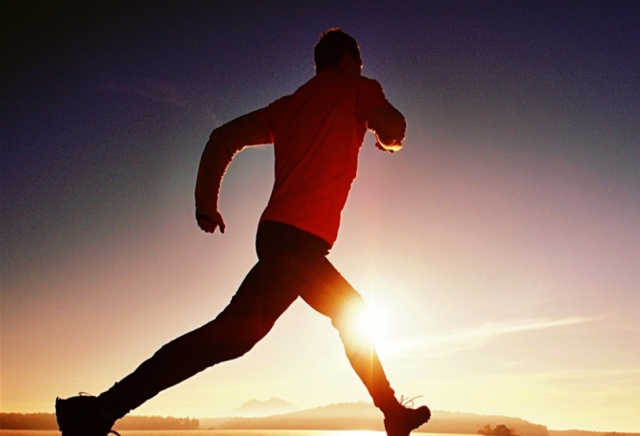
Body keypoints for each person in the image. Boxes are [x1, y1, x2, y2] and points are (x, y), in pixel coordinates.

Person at [55, 28, 430, 436]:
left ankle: (97, 411)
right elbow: (393, 125)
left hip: (279, 238)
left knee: (257, 331)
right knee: (309, 319)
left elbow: (223, 138)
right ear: (345, 60)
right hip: (297, 244)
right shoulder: (359, 88)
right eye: (358, 62)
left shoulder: (288, 106)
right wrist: (387, 138)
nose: (360, 68)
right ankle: (97, 411)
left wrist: (205, 203)